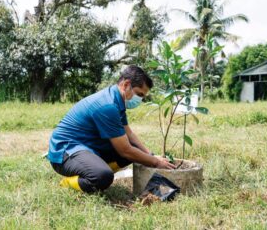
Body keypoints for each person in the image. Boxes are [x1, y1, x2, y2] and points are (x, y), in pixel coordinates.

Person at [47, 65, 176, 193]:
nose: (140, 100)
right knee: (102, 177)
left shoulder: (117, 99)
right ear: (126, 84)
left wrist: (150, 155)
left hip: (86, 146)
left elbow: (128, 133)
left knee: (135, 152)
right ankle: (68, 182)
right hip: (65, 151)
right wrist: (155, 162)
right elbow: (125, 150)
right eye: (139, 94)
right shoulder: (107, 106)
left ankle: (95, 168)